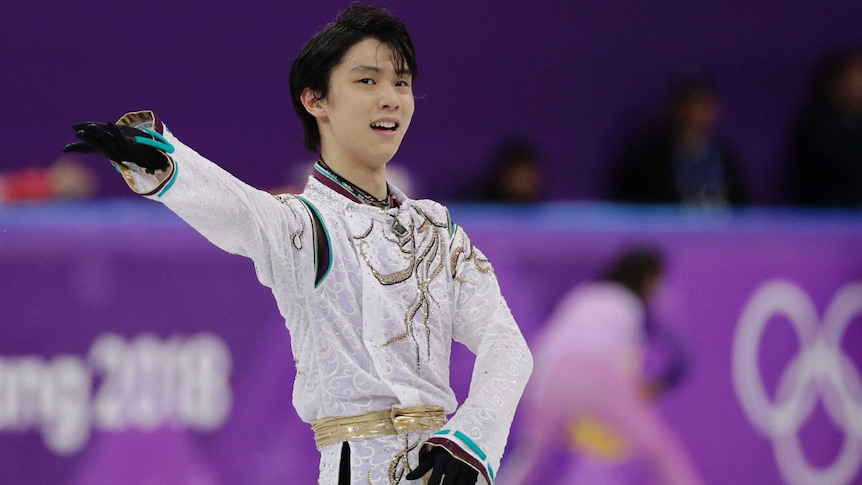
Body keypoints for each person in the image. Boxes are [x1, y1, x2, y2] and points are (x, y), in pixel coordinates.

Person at [63, 5, 533, 485]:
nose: (391, 98)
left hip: (450, 468)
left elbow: (509, 346)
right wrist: (167, 165)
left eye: (402, 82)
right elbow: (239, 211)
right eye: (367, 81)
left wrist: (474, 439)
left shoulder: (437, 228)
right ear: (315, 100)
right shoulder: (306, 229)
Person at [500, 247, 704, 485]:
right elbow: (627, 365)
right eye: (659, 279)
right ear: (648, 277)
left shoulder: (584, 294)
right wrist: (635, 398)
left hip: (546, 379)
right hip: (596, 376)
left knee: (529, 457)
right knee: (660, 452)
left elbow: (546, 347)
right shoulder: (630, 305)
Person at [609, 70, 749, 208]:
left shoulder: (726, 160)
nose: (693, 112)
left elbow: (743, 209)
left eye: (702, 104)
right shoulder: (646, 161)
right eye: (687, 103)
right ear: (674, 107)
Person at [786, 48, 862, 207]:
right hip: (825, 214)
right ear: (836, 81)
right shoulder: (817, 124)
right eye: (856, 78)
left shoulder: (855, 121)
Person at [467, 136, 547, 204]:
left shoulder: (546, 213)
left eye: (529, 177)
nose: (525, 182)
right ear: (504, 177)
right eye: (520, 176)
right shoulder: (478, 207)